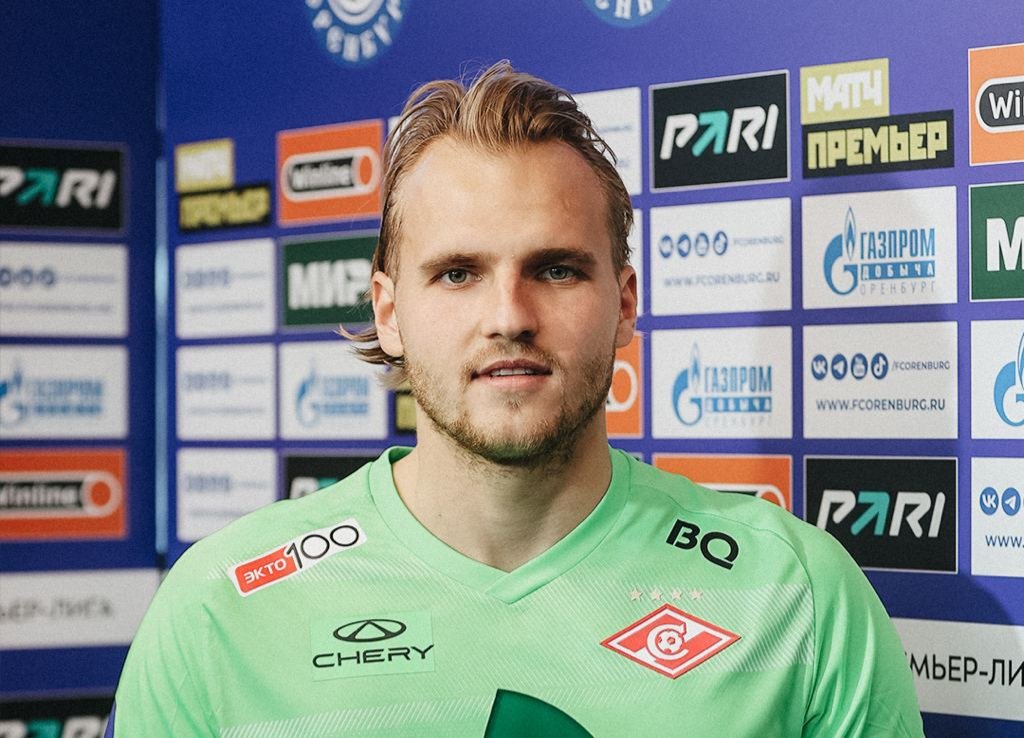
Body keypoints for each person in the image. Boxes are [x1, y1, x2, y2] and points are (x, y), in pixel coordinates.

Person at [107, 61, 924, 737]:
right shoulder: (220, 611)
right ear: (388, 313)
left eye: (556, 269)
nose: (509, 317)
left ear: (625, 304)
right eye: (458, 273)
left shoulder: (796, 598)